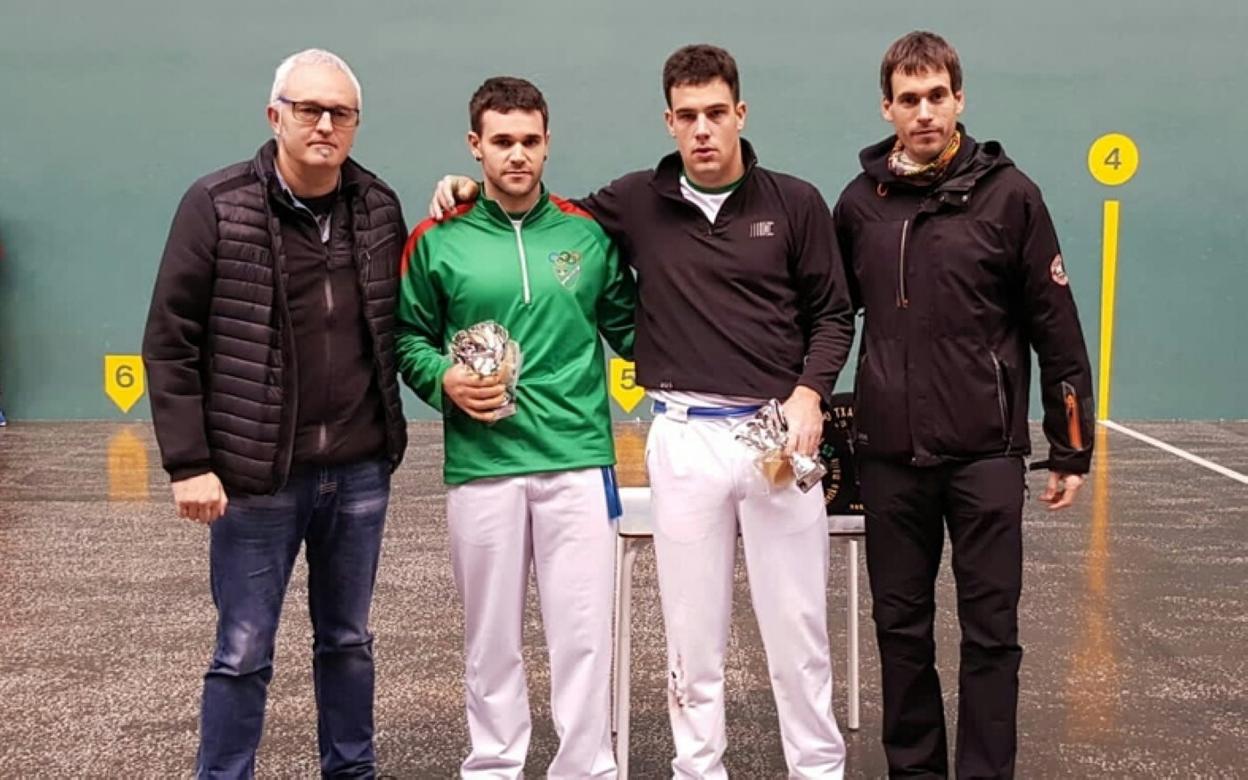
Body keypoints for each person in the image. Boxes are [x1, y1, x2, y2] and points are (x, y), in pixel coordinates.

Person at [431, 43, 854, 780]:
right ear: (668, 121)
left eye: (715, 113)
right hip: (684, 438)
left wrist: (810, 392)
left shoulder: (796, 203)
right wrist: (471, 188)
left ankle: (818, 770)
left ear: (741, 113)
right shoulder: (634, 201)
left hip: (777, 437)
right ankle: (699, 771)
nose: (702, 130)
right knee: (692, 640)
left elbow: (833, 314)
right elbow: (543, 213)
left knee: (800, 633)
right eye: (687, 116)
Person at [832, 31, 1095, 779]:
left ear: (959, 99)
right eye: (909, 98)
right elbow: (827, 315)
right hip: (890, 459)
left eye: (937, 96)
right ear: (887, 108)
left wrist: (1071, 447)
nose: (924, 111)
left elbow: (1056, 325)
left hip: (986, 456)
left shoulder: (1012, 197)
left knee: (991, 635)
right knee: (900, 632)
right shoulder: (858, 206)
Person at [142, 48, 408, 779]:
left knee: (348, 642)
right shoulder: (216, 203)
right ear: (275, 115)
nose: (324, 124)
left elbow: (403, 314)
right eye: (308, 109)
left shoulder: (378, 206)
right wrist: (189, 463)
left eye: (340, 113)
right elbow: (170, 340)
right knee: (242, 650)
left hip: (357, 471)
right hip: (255, 477)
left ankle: (351, 772)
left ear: (355, 123)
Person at [396, 76, 635, 779]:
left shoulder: (586, 235)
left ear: (548, 142)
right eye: (502, 141)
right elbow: (408, 336)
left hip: (578, 461)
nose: (517, 155)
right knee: (490, 638)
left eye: (530, 140)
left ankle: (586, 768)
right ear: (475, 146)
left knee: (583, 636)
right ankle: (495, 765)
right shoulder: (437, 238)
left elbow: (633, 329)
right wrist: (443, 377)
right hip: (483, 466)